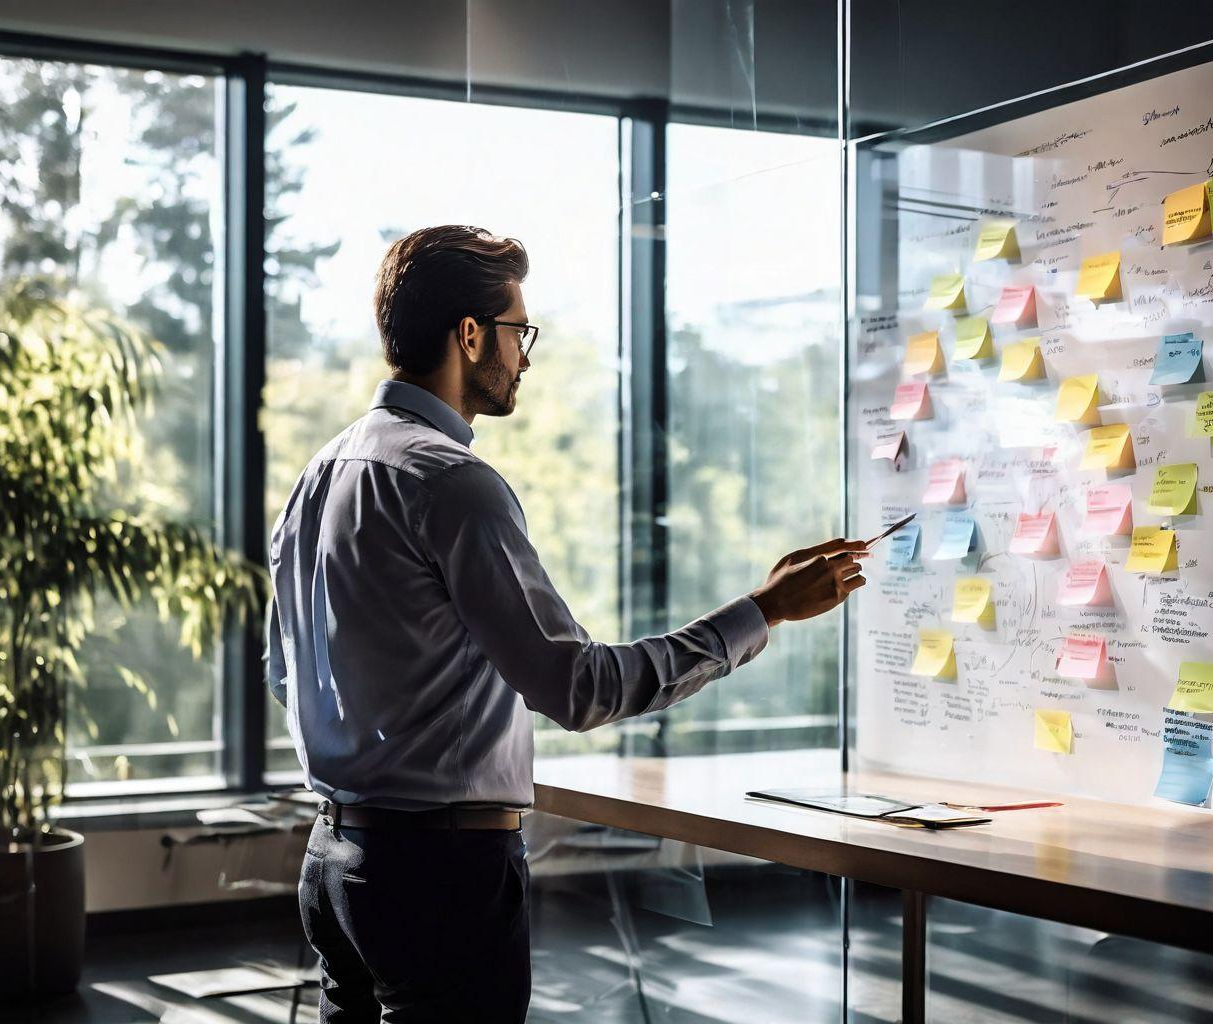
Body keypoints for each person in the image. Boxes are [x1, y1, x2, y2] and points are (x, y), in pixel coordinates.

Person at [264, 224, 868, 1022]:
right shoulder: (450, 482)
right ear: (470, 334)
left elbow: (283, 673)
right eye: (519, 331)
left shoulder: (321, 472)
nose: (526, 355)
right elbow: (578, 688)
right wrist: (762, 613)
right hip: (438, 874)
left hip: (334, 864)